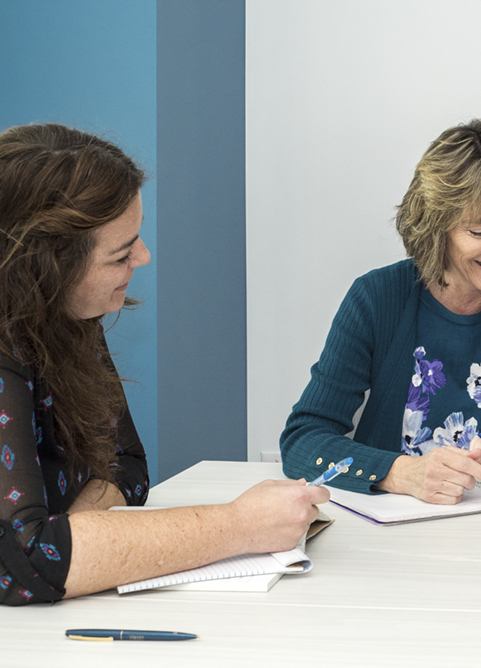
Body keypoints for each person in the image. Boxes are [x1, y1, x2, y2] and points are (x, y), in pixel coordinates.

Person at [0, 124, 329, 606]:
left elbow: (130, 468)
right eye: (120, 253)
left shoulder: (67, 313)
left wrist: (74, 532)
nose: (144, 256)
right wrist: (238, 526)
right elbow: (22, 561)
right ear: (47, 266)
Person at [280, 119, 481, 504]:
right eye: (480, 231)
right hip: (389, 532)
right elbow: (304, 439)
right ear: (436, 226)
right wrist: (400, 473)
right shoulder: (376, 297)